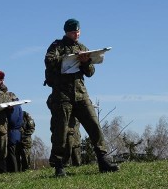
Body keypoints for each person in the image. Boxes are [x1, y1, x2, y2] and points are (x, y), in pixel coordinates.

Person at [44, 19, 119, 177]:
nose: (76, 34)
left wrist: (85, 61)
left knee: (94, 126)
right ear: (66, 32)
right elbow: (49, 61)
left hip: (81, 94)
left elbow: (90, 72)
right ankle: (59, 166)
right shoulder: (57, 46)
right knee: (61, 131)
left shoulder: (82, 47)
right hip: (62, 95)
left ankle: (103, 161)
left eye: (78, 31)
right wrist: (67, 57)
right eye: (73, 32)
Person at [6, 92, 23, 173]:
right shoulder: (19, 106)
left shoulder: (14, 107)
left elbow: (12, 120)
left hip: (12, 133)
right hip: (18, 133)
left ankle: (13, 171)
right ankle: (17, 170)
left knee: (11, 154)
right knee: (16, 154)